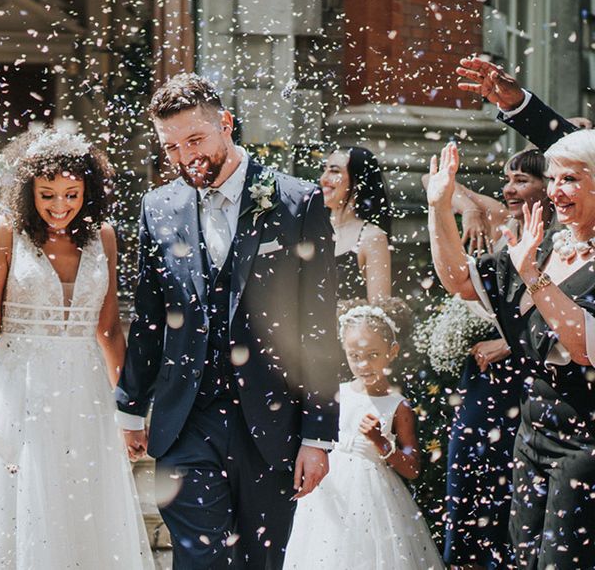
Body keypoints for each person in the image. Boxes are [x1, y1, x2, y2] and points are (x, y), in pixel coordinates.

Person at [115, 73, 339, 568]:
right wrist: (131, 407)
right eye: (171, 147)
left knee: (259, 562)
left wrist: (317, 435)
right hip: (186, 421)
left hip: (271, 421)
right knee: (201, 561)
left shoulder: (296, 202)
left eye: (195, 139)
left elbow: (319, 324)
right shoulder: (158, 208)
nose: (185, 156)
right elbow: (151, 317)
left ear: (227, 124)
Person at [0, 129, 153, 569]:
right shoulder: (5, 233)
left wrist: (130, 411)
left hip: (85, 395)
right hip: (20, 392)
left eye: (71, 194)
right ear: (28, 191)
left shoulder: (105, 237)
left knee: (82, 509)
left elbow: (109, 329)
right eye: (47, 195)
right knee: (14, 513)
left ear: (88, 191)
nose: (60, 206)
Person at [428, 139, 595, 568]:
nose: (556, 191)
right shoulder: (544, 244)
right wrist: (439, 207)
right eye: (553, 179)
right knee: (523, 558)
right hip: (532, 433)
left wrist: (533, 276)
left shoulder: (536, 259)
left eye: (571, 179)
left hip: (586, 444)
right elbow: (460, 281)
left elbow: (582, 345)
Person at [285, 302, 444, 569]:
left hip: (374, 498)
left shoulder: (398, 406)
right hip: (330, 492)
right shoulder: (336, 393)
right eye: (354, 355)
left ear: (391, 352)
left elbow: (413, 468)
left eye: (372, 354)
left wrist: (381, 443)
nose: (363, 364)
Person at [320, 147, 392, 301]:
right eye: (324, 170)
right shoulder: (310, 228)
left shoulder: (373, 238)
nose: (323, 179)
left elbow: (379, 313)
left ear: (358, 182)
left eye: (334, 171)